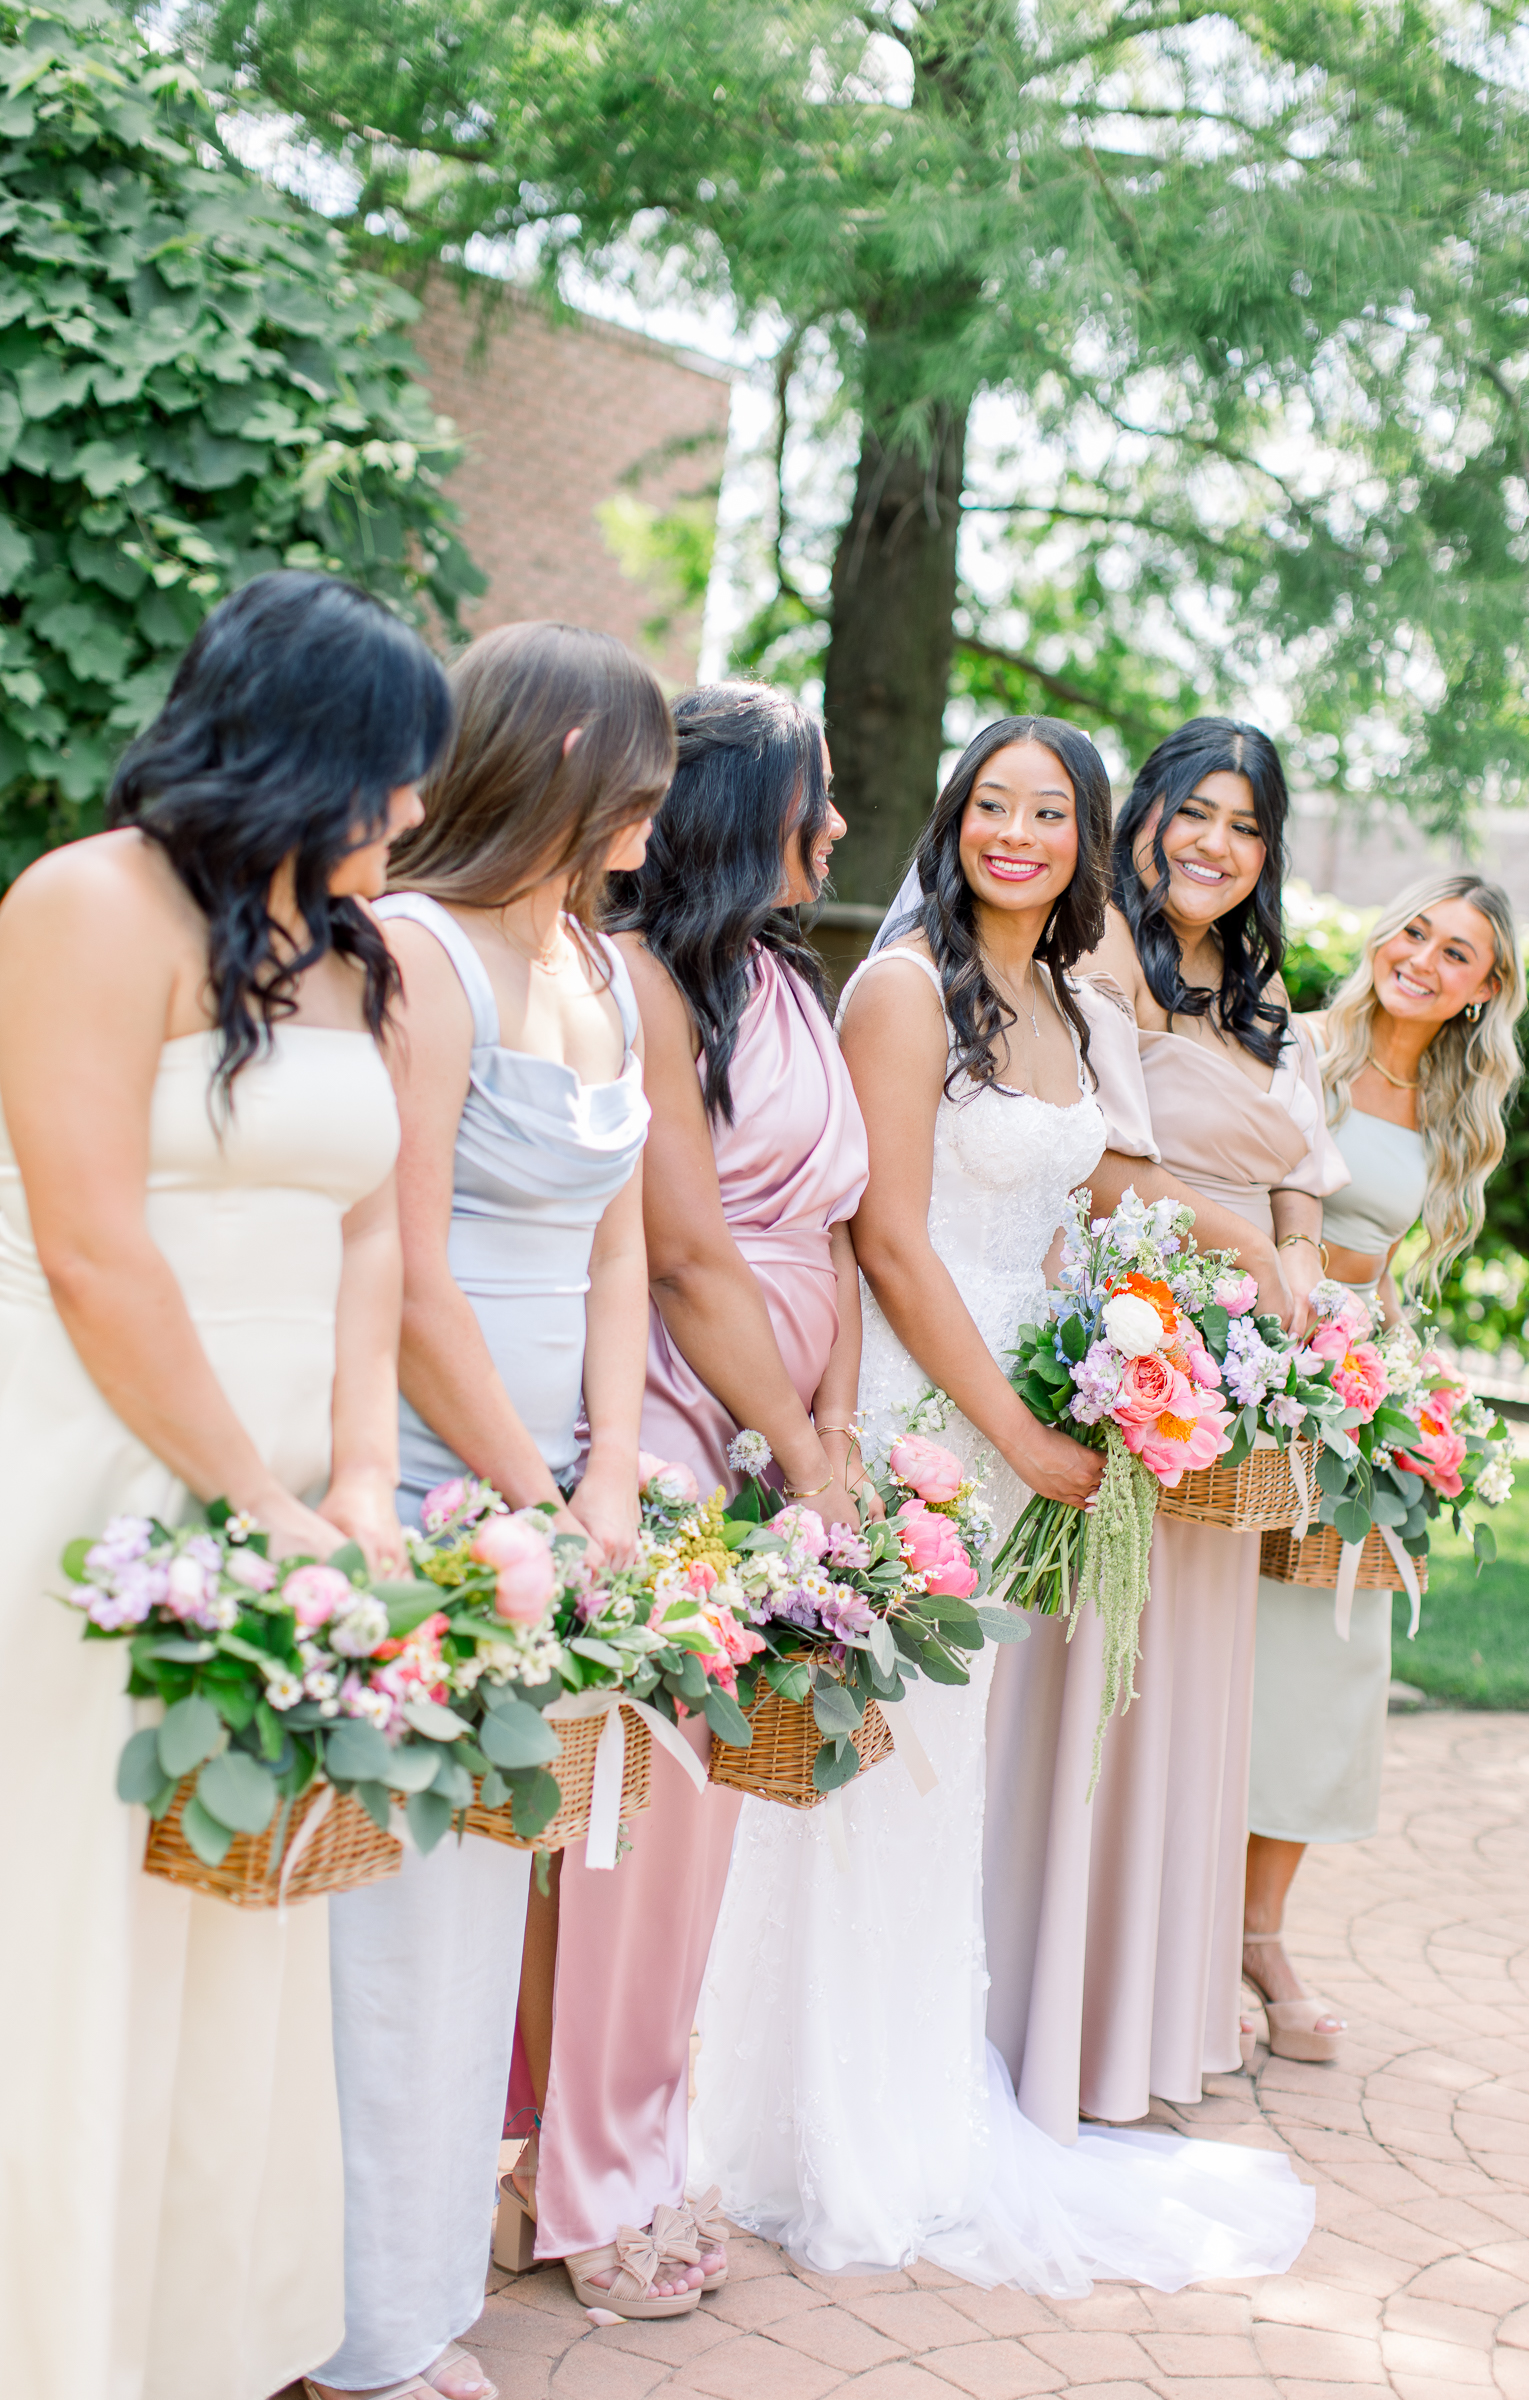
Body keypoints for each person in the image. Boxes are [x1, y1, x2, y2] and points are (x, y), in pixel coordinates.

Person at [692, 714, 1314, 2289]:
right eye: (992, 804)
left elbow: (1102, 1190)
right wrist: (1022, 1444)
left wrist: (1240, 1281)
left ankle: (904, 2101)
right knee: (865, 1778)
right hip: (917, 1410)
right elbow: (889, 1244)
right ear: (954, 820)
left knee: (937, 1784)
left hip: (1017, 1398)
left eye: (1050, 811)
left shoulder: (1069, 1006)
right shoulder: (902, 994)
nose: (1016, 832)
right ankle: (792, 2127)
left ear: (1087, 839)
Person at [0, 570, 448, 2400]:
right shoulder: (86, 904)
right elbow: (94, 1248)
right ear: (298, 744)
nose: (411, 816)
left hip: (281, 1487)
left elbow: (366, 1245)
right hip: (88, 1465)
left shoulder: (362, 951)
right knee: (74, 1905)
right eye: (393, 775)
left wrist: (353, 1476)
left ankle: (183, 2343)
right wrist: (249, 1509)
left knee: (228, 1903)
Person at [310, 623, 674, 2392]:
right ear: (564, 761)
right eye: (642, 774)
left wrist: (612, 1471)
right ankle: (350, 2320)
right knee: (384, 1903)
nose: (660, 809)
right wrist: (533, 1492)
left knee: (482, 1890)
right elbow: (408, 1270)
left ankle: (422, 2288)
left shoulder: (601, 968)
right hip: (422, 1457)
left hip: (561, 1481)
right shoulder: (414, 954)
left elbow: (619, 1260)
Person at [502, 682, 873, 2315]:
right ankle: (586, 2183)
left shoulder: (789, 983)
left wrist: (843, 1431)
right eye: (819, 795)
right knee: (635, 1836)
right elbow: (682, 1251)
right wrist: (791, 1450)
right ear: (743, 812)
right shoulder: (641, 986)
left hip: (786, 1422)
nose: (844, 824)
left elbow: (838, 1231)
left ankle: (617, 2150)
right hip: (663, 1416)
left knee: (699, 1843)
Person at [985, 716, 1350, 2142]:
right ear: (1143, 816)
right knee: (1106, 1674)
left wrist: (1301, 1266)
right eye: (1193, 813)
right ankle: (1055, 2016)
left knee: (1195, 1677)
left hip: (1239, 1363)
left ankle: (1151, 2015)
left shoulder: (1250, 985)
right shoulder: (1103, 959)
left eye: (1246, 827)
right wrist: (1257, 1271)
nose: (1215, 845)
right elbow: (1109, 1165)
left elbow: (1300, 1160)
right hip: (1135, 1333)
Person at [1244, 873, 1525, 2057]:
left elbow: (1384, 1261)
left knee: (1329, 1659)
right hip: (1247, 1362)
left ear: (1482, 990)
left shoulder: (1455, 1109)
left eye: (1454, 951)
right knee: (1223, 1651)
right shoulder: (1292, 1047)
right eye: (1412, 929)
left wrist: (1411, 1396)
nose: (1420, 958)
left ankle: (1257, 1936)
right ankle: (1170, 1922)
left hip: (1355, 1391)